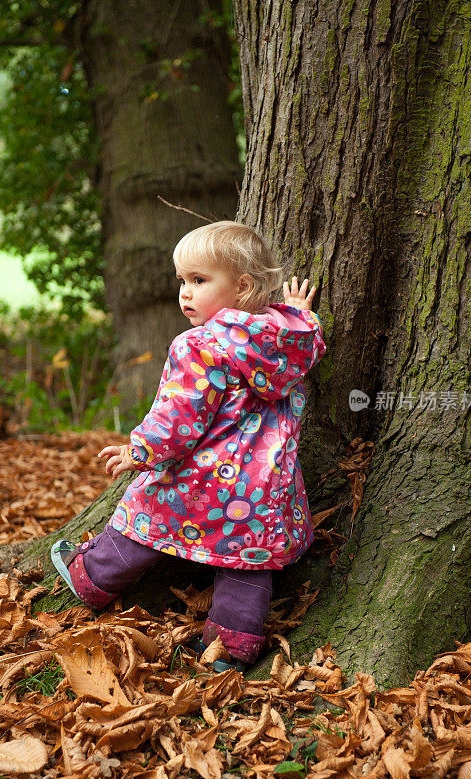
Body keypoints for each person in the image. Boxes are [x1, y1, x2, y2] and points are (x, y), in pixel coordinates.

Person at [51, 221, 326, 672]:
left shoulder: (198, 345)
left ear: (242, 286)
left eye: (199, 281)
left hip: (201, 478)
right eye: (182, 280)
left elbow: (178, 415)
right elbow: (309, 342)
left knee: (148, 513)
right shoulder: (285, 339)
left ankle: (92, 577)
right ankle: (233, 647)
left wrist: (140, 450)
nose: (185, 293)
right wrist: (300, 312)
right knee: (248, 561)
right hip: (259, 489)